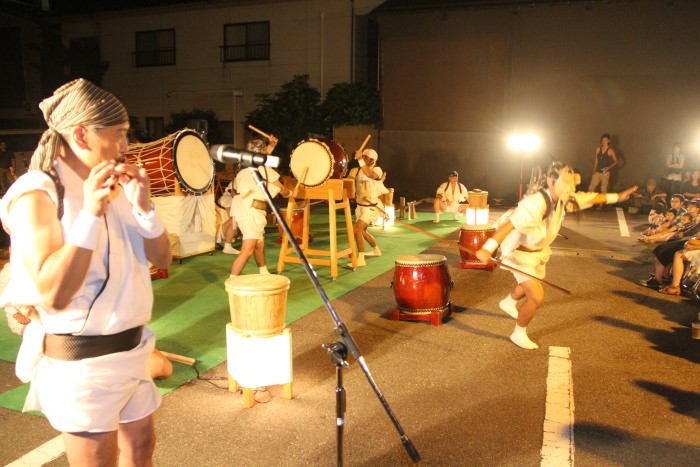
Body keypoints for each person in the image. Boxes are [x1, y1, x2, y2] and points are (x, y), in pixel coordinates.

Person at [0, 78, 172, 465]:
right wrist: (91, 214)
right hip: (83, 366)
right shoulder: (37, 192)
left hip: (134, 348)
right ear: (80, 134)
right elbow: (54, 293)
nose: (127, 146)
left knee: (142, 448)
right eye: (120, 135)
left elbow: (163, 258)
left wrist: (144, 208)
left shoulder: (116, 185)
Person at [475, 161, 637, 350]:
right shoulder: (535, 203)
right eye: (564, 183)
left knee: (530, 283)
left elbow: (590, 198)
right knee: (536, 296)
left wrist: (617, 196)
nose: (569, 188)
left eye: (570, 184)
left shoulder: (563, 198)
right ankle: (518, 333)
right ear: (551, 181)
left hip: (537, 252)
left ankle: (509, 301)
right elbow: (509, 225)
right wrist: (488, 247)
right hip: (520, 254)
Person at [229, 137, 290, 277]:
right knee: (248, 249)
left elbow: (262, 157)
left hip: (242, 210)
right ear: (262, 151)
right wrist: (292, 192)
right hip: (251, 211)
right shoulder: (264, 169)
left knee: (259, 245)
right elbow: (282, 189)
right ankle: (231, 281)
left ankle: (263, 271)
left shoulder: (243, 171)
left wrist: (271, 145)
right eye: (264, 150)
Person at [350, 148, 386, 267]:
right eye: (363, 157)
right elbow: (348, 183)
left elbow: (369, 174)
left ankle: (361, 259)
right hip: (360, 206)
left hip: (371, 207)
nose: (365, 159)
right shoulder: (355, 170)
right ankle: (376, 250)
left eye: (366, 158)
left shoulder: (377, 170)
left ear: (372, 160)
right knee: (363, 231)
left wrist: (360, 159)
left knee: (356, 230)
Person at [588, 133, 618, 209]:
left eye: (605, 140)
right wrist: (594, 171)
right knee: (592, 187)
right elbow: (596, 160)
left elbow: (616, 161)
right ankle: (589, 202)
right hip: (598, 170)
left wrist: (608, 167)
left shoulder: (610, 151)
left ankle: (601, 204)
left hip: (605, 172)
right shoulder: (598, 149)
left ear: (609, 141)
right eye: (603, 140)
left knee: (603, 188)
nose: (604, 141)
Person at [217, 181, 240, 255]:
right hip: (219, 231)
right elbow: (231, 215)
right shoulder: (227, 198)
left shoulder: (228, 198)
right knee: (236, 219)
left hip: (220, 229)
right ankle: (227, 246)